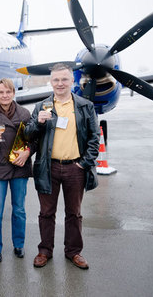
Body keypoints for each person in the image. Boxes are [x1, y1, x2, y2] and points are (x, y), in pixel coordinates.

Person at [25, 63, 100, 270]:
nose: (60, 83)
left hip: (75, 168)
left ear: (72, 81)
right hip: (48, 167)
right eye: (56, 80)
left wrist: (83, 164)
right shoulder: (42, 107)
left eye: (64, 79)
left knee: (74, 213)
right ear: (51, 82)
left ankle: (73, 252)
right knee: (46, 212)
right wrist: (38, 123)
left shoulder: (85, 106)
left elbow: (94, 138)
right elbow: (28, 134)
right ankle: (44, 251)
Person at [0, 78, 34, 262]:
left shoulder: (25, 113)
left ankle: (19, 244)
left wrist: (27, 153)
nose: (5, 95)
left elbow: (33, 140)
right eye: (1, 92)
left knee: (19, 209)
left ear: (13, 93)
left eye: (8, 92)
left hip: (19, 166)